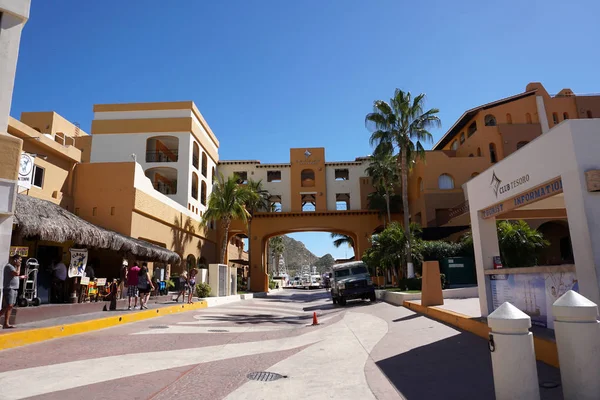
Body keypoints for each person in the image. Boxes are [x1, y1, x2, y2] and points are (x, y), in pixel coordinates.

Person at [2, 254, 26, 329]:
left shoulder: (14, 267)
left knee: (10, 306)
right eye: (19, 260)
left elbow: (15, 276)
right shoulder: (9, 266)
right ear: (14, 260)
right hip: (9, 288)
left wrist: (20, 277)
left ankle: (6, 323)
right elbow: (16, 273)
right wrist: (18, 267)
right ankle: (6, 323)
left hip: (14, 288)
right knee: (9, 305)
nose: (20, 262)